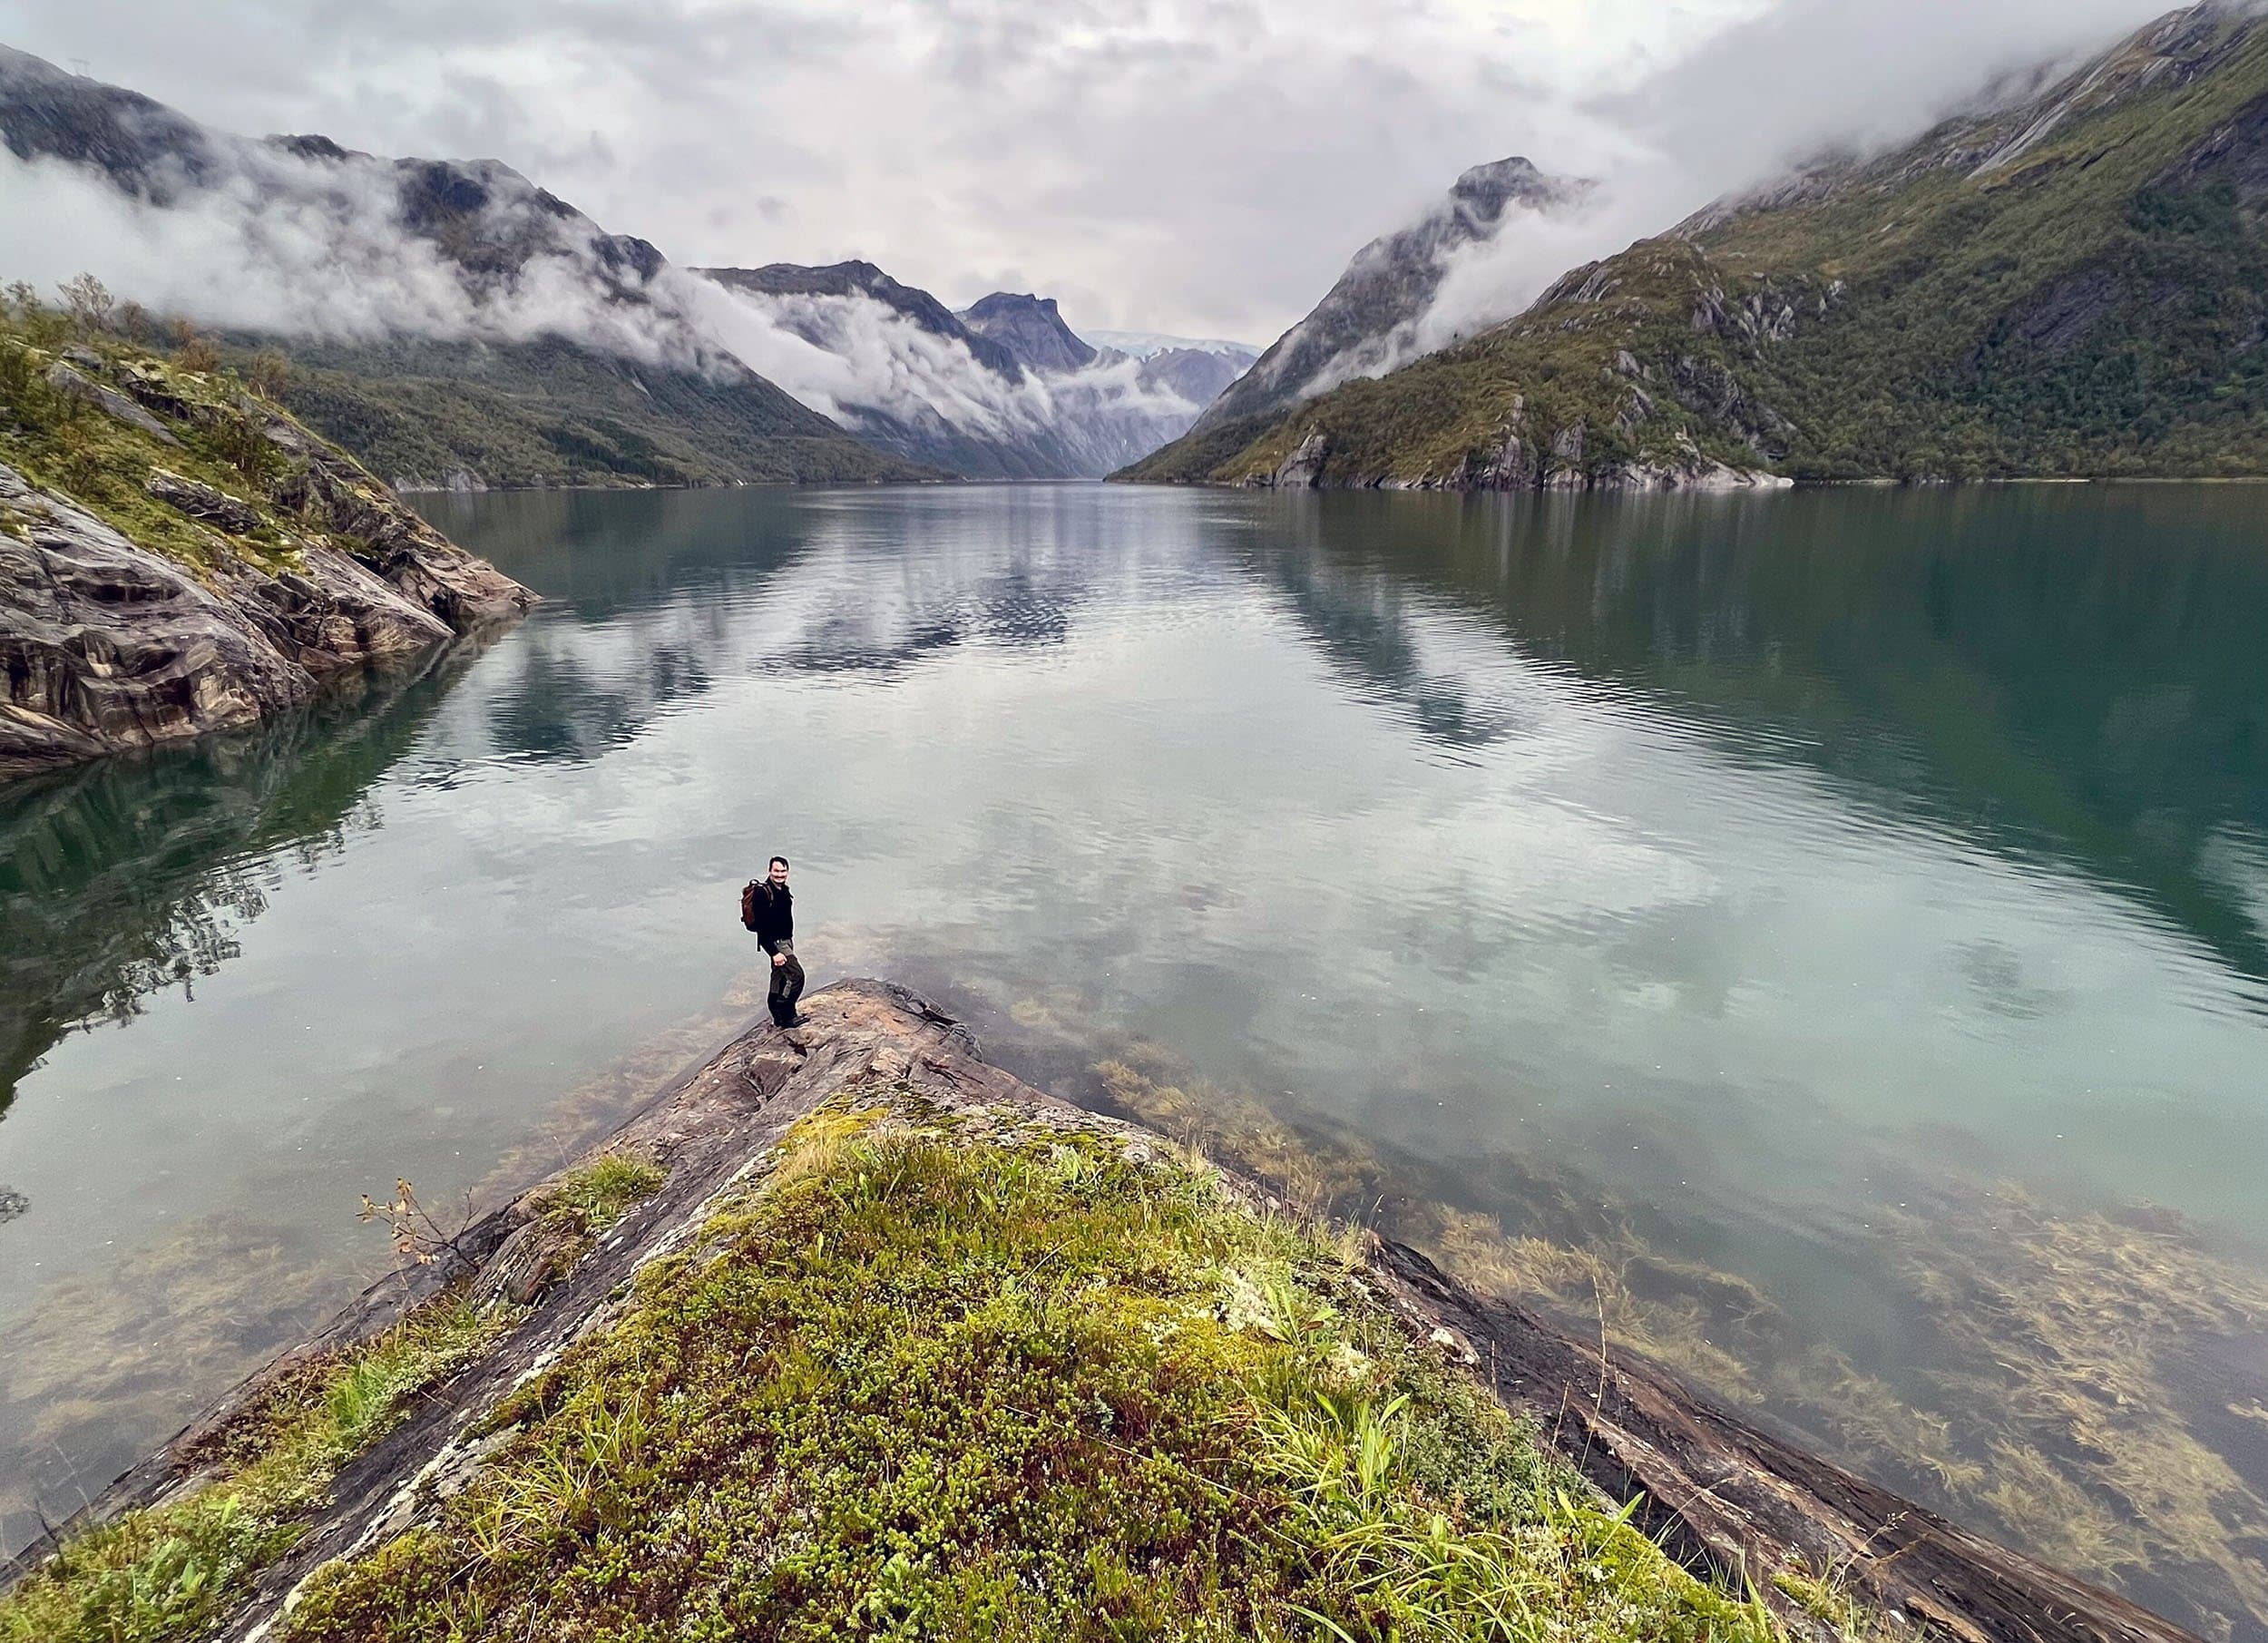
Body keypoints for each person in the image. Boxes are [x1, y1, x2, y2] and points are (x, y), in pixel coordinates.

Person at [748, 855, 805, 1027]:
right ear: (769, 871)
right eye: (776, 871)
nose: (780, 874)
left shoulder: (783, 890)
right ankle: (786, 1011)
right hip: (777, 944)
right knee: (796, 976)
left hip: (786, 940)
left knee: (779, 979)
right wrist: (774, 952)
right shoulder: (763, 893)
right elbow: (761, 927)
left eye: (783, 871)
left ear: (787, 872)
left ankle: (779, 1018)